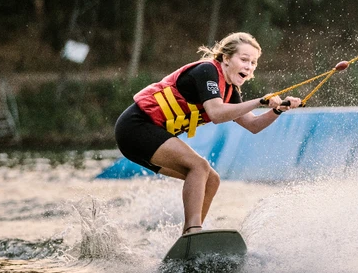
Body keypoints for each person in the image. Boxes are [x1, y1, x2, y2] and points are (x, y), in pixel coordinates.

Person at [114, 32, 300, 235]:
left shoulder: (230, 91)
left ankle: (189, 239)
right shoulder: (207, 71)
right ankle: (193, 230)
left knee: (211, 180)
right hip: (136, 127)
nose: (249, 66)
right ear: (226, 58)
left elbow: (253, 125)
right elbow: (216, 113)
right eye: (244, 59)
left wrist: (277, 110)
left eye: (253, 62)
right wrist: (259, 101)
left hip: (147, 136)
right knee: (199, 166)